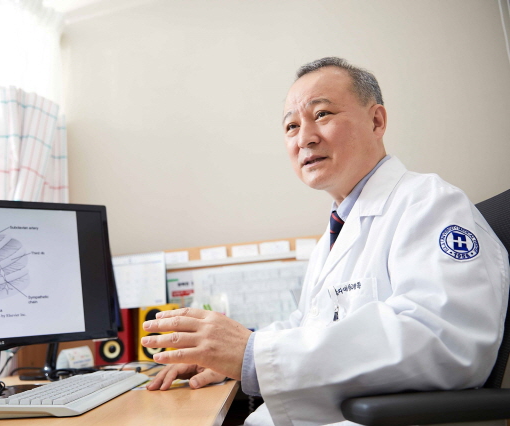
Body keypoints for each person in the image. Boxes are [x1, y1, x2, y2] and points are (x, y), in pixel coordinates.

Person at [141, 57, 510, 426]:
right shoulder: (333, 236)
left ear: (376, 121)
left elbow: (444, 340)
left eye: (322, 114)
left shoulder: (430, 203)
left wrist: (253, 355)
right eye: (291, 126)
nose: (305, 137)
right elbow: (308, 327)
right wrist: (227, 355)